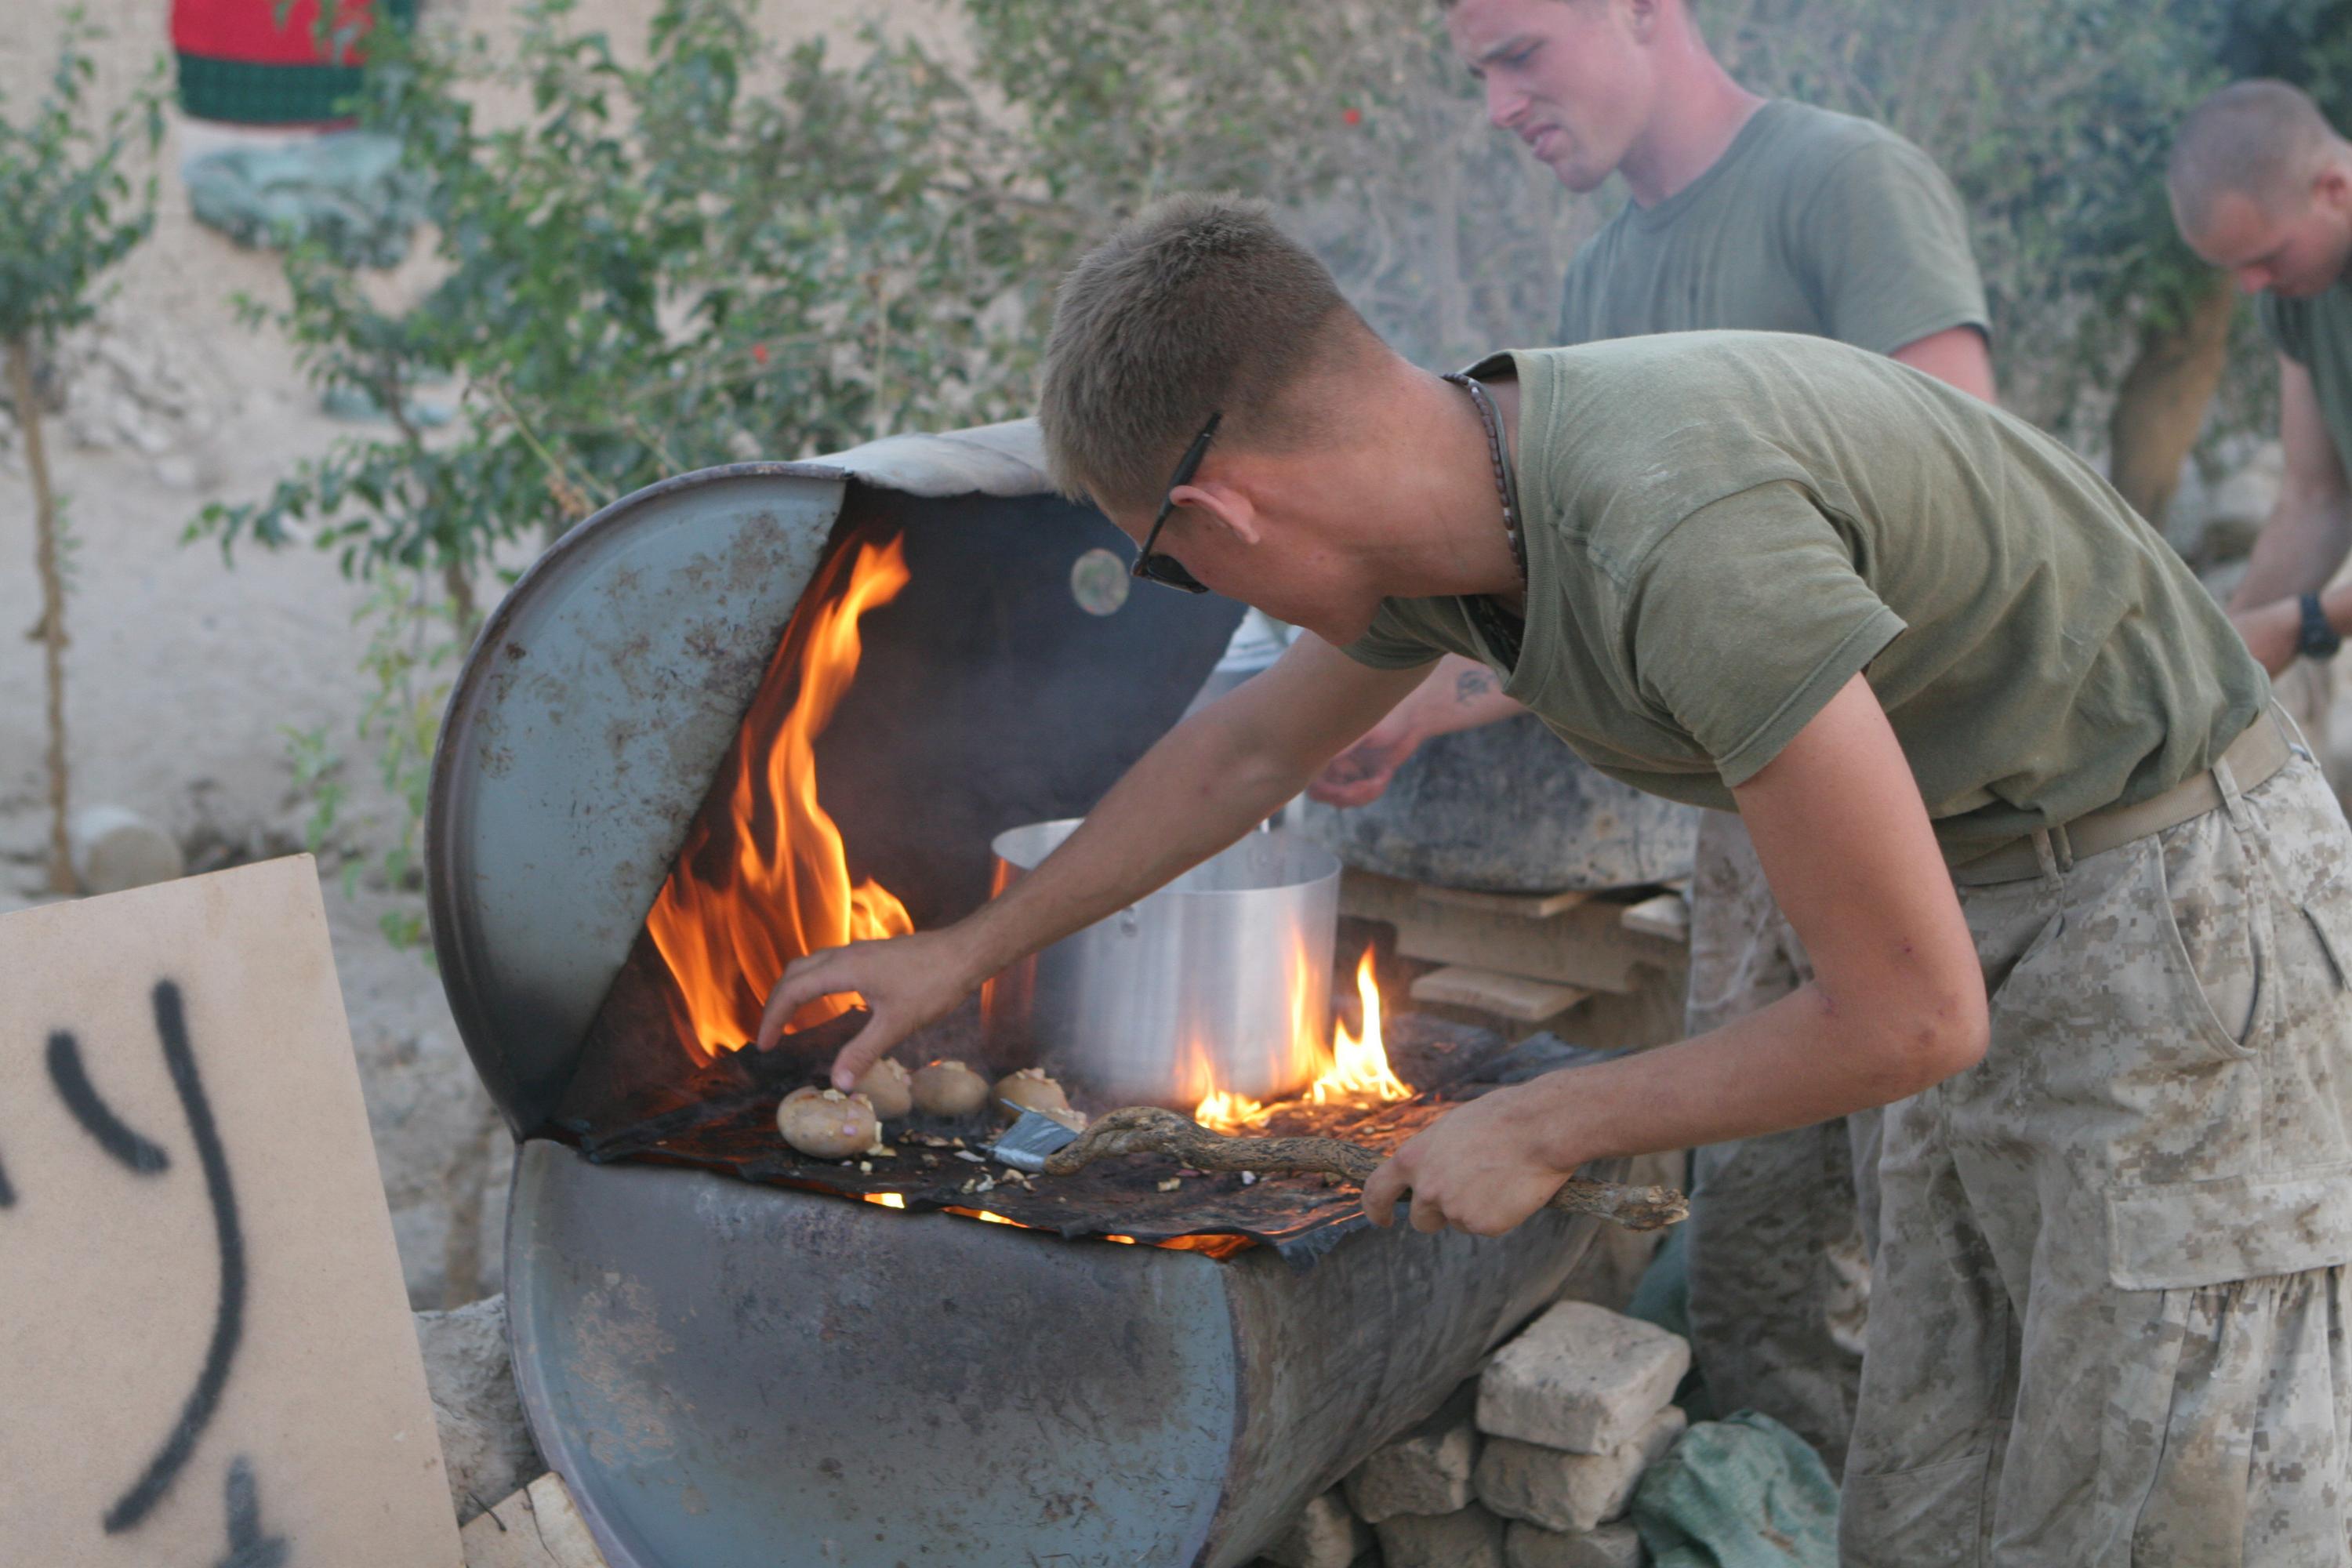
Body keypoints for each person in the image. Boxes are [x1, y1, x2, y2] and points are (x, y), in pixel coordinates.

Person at [764, 197, 2352, 1564]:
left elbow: (1912, 1016)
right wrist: (963, 944)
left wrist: (1540, 1115)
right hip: (1985, 884)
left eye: (1173, 565)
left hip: (2168, 919)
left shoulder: (1678, 540)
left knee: (2164, 1497)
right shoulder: (1452, 517)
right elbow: (1240, 758)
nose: (1198, 596)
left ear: (1226, 508)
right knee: (1933, 1469)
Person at [1312, 0, 1997, 1468]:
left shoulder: (1841, 179)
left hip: (1927, 818)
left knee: (1928, 1243)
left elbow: (1962, 470)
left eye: (1519, 55)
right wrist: (1434, 704)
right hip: (1745, 824)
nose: (1499, 104)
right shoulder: (1608, 269)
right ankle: (1772, 1499)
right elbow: (1606, 579)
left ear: (1644, 12)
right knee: (1753, 1232)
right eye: (1479, 72)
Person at [2171, 80, 2352, 797]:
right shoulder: (2299, 294)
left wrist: (2304, 622)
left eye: (2266, 257)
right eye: (2234, 267)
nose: (2251, 285)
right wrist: (2213, 660)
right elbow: (2315, 498)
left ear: (2332, 188)